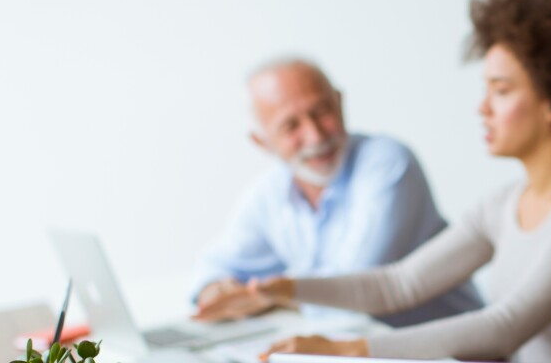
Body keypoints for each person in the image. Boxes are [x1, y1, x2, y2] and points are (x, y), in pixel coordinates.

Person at [255, 0, 551, 363]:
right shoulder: (503, 204)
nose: (483, 107)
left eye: (500, 90)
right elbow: (397, 284)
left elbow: (504, 327)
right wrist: (280, 288)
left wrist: (348, 351)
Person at [191, 58, 482, 327]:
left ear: (340, 103)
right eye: (291, 125)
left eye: (322, 112)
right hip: (362, 355)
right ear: (261, 141)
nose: (316, 136)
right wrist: (215, 289)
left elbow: (353, 290)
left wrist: (269, 296)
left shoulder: (388, 162)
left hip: (455, 358)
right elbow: (214, 268)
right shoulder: (269, 194)